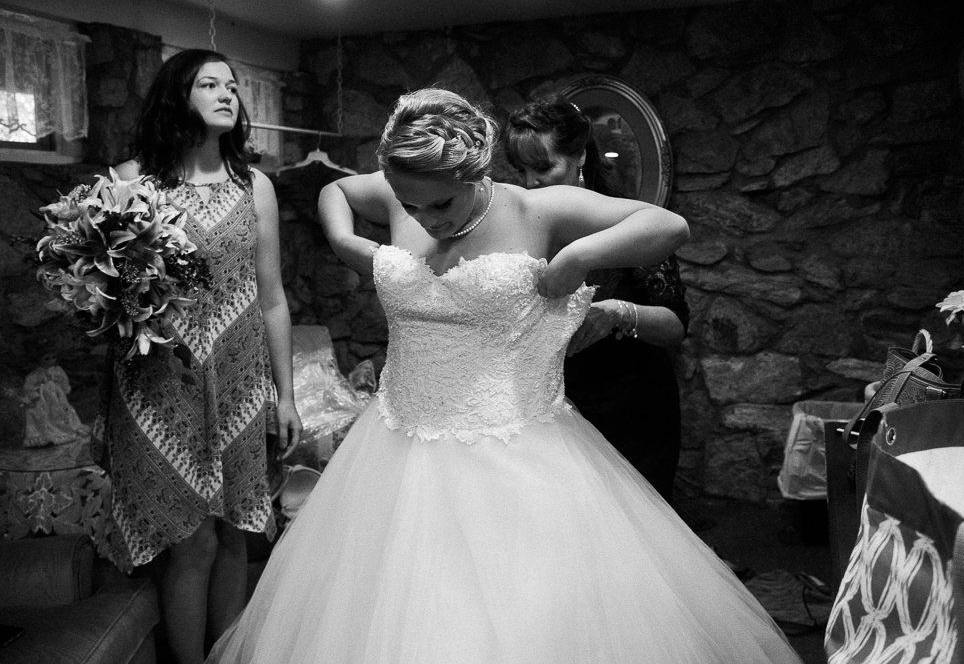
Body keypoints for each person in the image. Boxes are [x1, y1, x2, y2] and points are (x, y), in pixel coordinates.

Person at [206, 88, 799, 664]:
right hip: (395, 446)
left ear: (475, 175)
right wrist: (344, 241)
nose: (424, 219)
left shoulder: (534, 209)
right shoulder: (399, 197)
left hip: (515, 444)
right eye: (411, 205)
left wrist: (577, 257)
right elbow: (336, 189)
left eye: (441, 204)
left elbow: (668, 227)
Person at [100, 48, 300, 664]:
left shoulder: (255, 185)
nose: (227, 94)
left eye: (233, 86)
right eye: (209, 84)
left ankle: (228, 656)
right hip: (161, 379)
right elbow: (108, 300)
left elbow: (271, 298)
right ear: (176, 96)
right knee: (190, 539)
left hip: (240, 380)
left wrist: (285, 394)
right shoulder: (132, 181)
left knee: (238, 532)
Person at [503, 96, 688, 500]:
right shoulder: (516, 225)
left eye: (543, 167)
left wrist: (615, 312)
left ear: (579, 158)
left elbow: (674, 327)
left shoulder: (629, 222)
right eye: (521, 171)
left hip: (630, 405)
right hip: (548, 406)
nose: (531, 183)